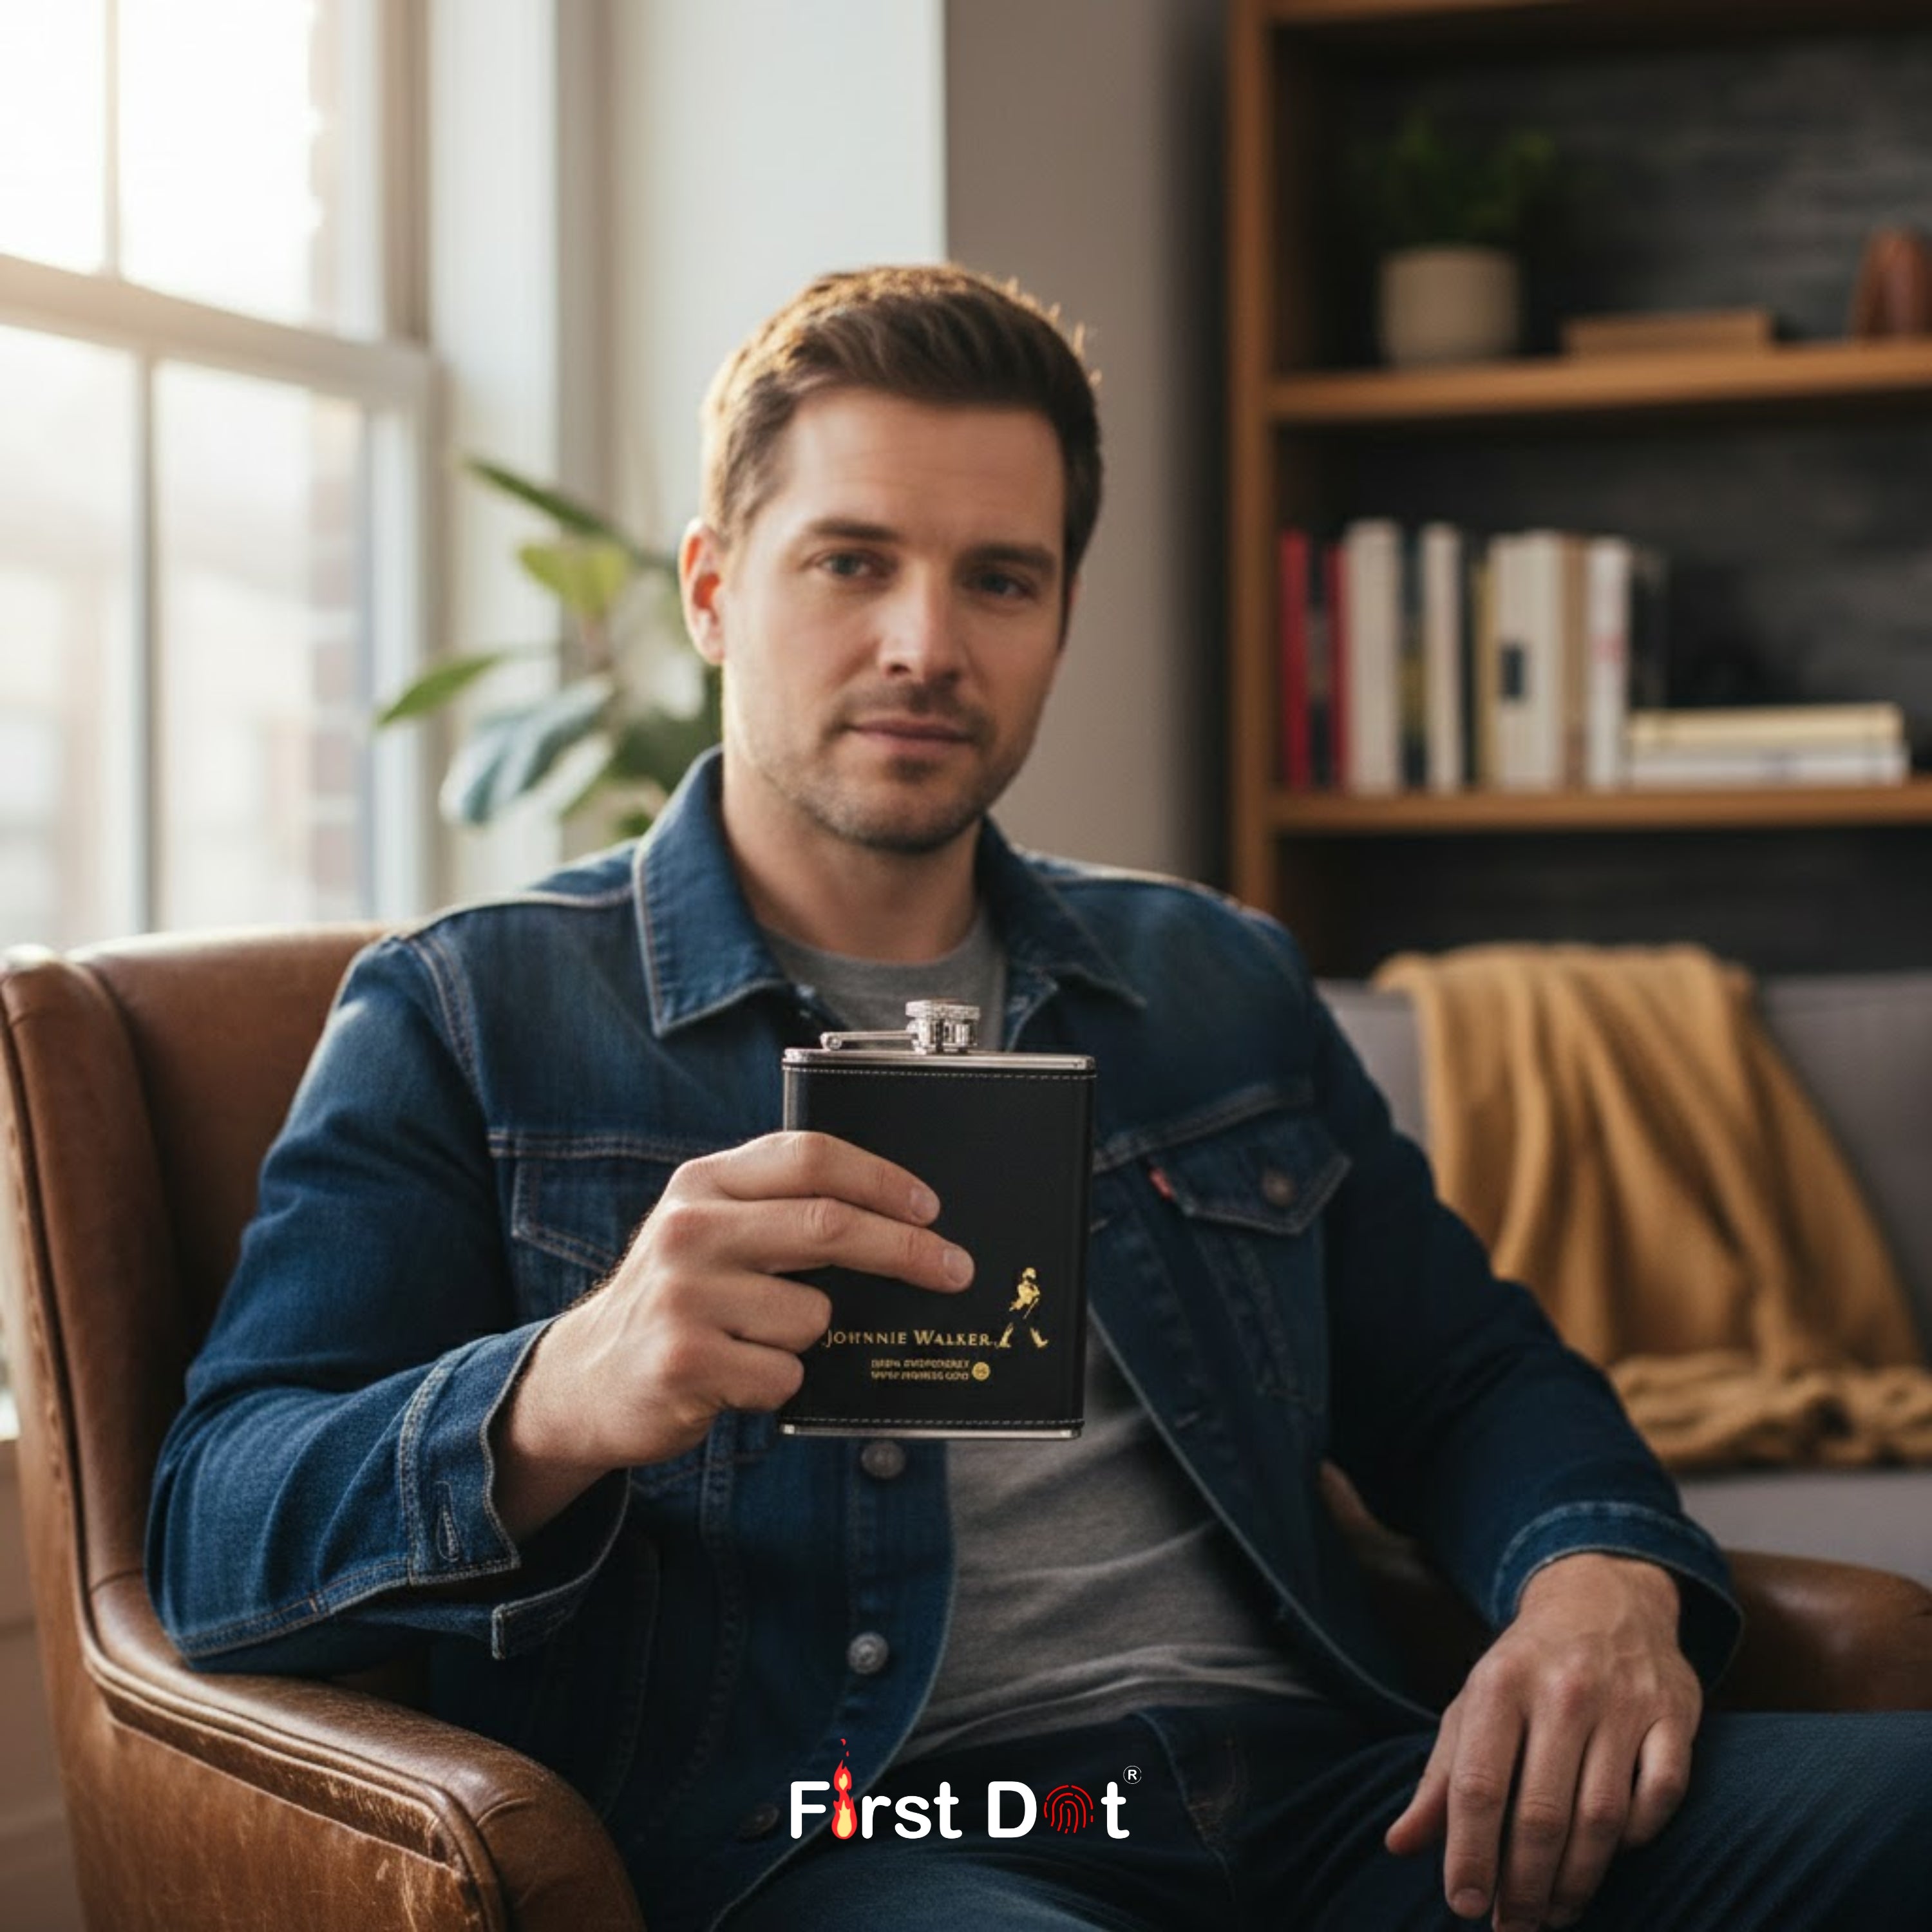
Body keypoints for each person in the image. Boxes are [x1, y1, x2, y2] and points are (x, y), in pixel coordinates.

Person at [148, 265, 1932, 1932]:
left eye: (1000, 578)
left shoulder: (1212, 983)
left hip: (1326, 1794)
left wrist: (1600, 1582)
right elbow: (216, 1532)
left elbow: (1469, 1380)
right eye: (852, 563)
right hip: (863, 1829)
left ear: (1062, 613)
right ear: (712, 588)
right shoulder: (472, 1008)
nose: (930, 642)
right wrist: (561, 1391)